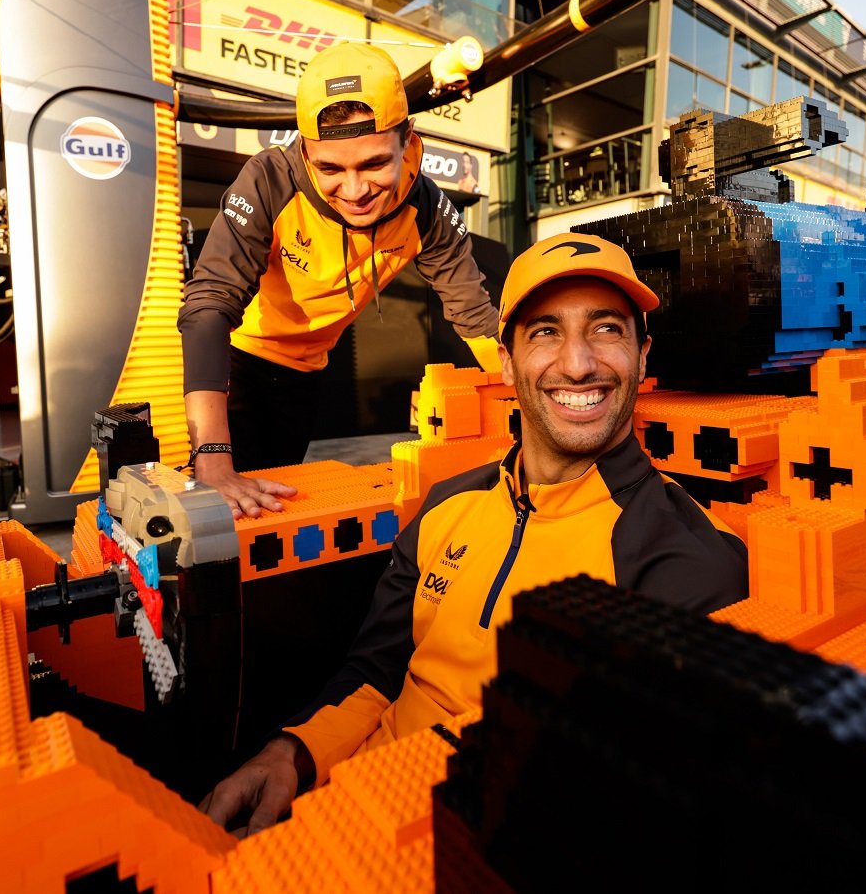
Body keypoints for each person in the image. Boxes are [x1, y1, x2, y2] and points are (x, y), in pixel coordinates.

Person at [199, 232, 750, 836]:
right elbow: (377, 669)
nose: (577, 363)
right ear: (507, 362)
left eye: (605, 329)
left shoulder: (690, 560)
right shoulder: (448, 504)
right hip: (338, 805)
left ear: (643, 357)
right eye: (545, 331)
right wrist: (295, 753)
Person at [177, 42, 502, 520]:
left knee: (280, 508)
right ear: (305, 150)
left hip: (307, 374)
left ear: (407, 139)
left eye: (374, 164)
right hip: (237, 365)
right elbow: (208, 306)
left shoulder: (427, 209)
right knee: (220, 514)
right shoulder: (269, 180)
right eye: (330, 168)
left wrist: (535, 400)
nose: (354, 191)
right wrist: (213, 460)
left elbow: (475, 316)